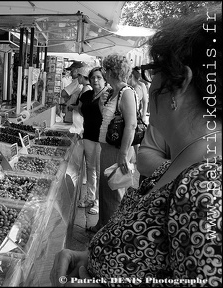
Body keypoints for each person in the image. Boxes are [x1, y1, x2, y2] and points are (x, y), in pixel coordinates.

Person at [51, 4, 221, 286]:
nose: (149, 84)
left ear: (180, 83)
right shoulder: (186, 164)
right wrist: (90, 259)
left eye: (153, 71)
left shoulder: (206, 186)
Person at [85, 54, 138, 234]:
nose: (103, 73)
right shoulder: (113, 92)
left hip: (117, 151)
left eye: (105, 70)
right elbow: (107, 119)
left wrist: (123, 154)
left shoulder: (127, 92)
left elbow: (131, 124)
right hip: (106, 148)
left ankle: (112, 232)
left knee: (115, 192)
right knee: (105, 190)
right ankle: (103, 225)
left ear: (110, 71)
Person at [76, 67, 109, 215]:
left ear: (104, 79)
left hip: (102, 138)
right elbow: (81, 109)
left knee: (100, 169)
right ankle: (90, 197)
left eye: (99, 77)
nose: (95, 80)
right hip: (88, 134)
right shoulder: (87, 94)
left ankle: (98, 202)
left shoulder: (108, 95)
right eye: (93, 77)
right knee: (90, 168)